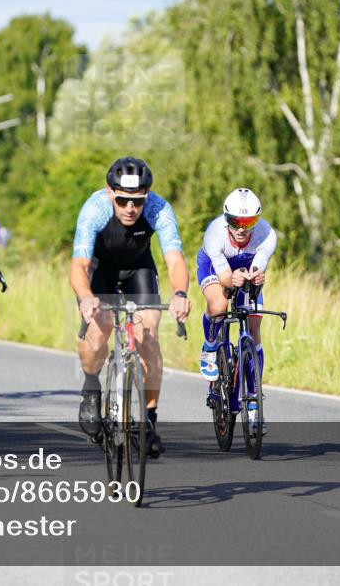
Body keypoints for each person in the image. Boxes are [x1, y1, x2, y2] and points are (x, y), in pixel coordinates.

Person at [70, 157, 191, 456]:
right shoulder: (95, 209)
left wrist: (179, 293)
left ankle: (148, 421)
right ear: (110, 193)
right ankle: (90, 387)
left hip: (139, 269)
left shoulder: (158, 209)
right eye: (122, 200)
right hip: (100, 271)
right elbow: (79, 264)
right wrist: (87, 298)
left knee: (148, 335)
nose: (129, 208)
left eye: (137, 201)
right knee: (98, 334)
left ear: (147, 195)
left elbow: (174, 259)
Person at [197, 188, 277, 433]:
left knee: (254, 325)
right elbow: (224, 278)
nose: (241, 229)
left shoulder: (266, 234)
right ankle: (211, 346)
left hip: (244, 270)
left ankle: (253, 401)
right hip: (215, 267)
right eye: (235, 222)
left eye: (248, 222)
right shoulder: (214, 234)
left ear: (258, 220)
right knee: (220, 306)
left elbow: (258, 268)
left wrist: (256, 275)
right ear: (226, 219)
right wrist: (234, 278)